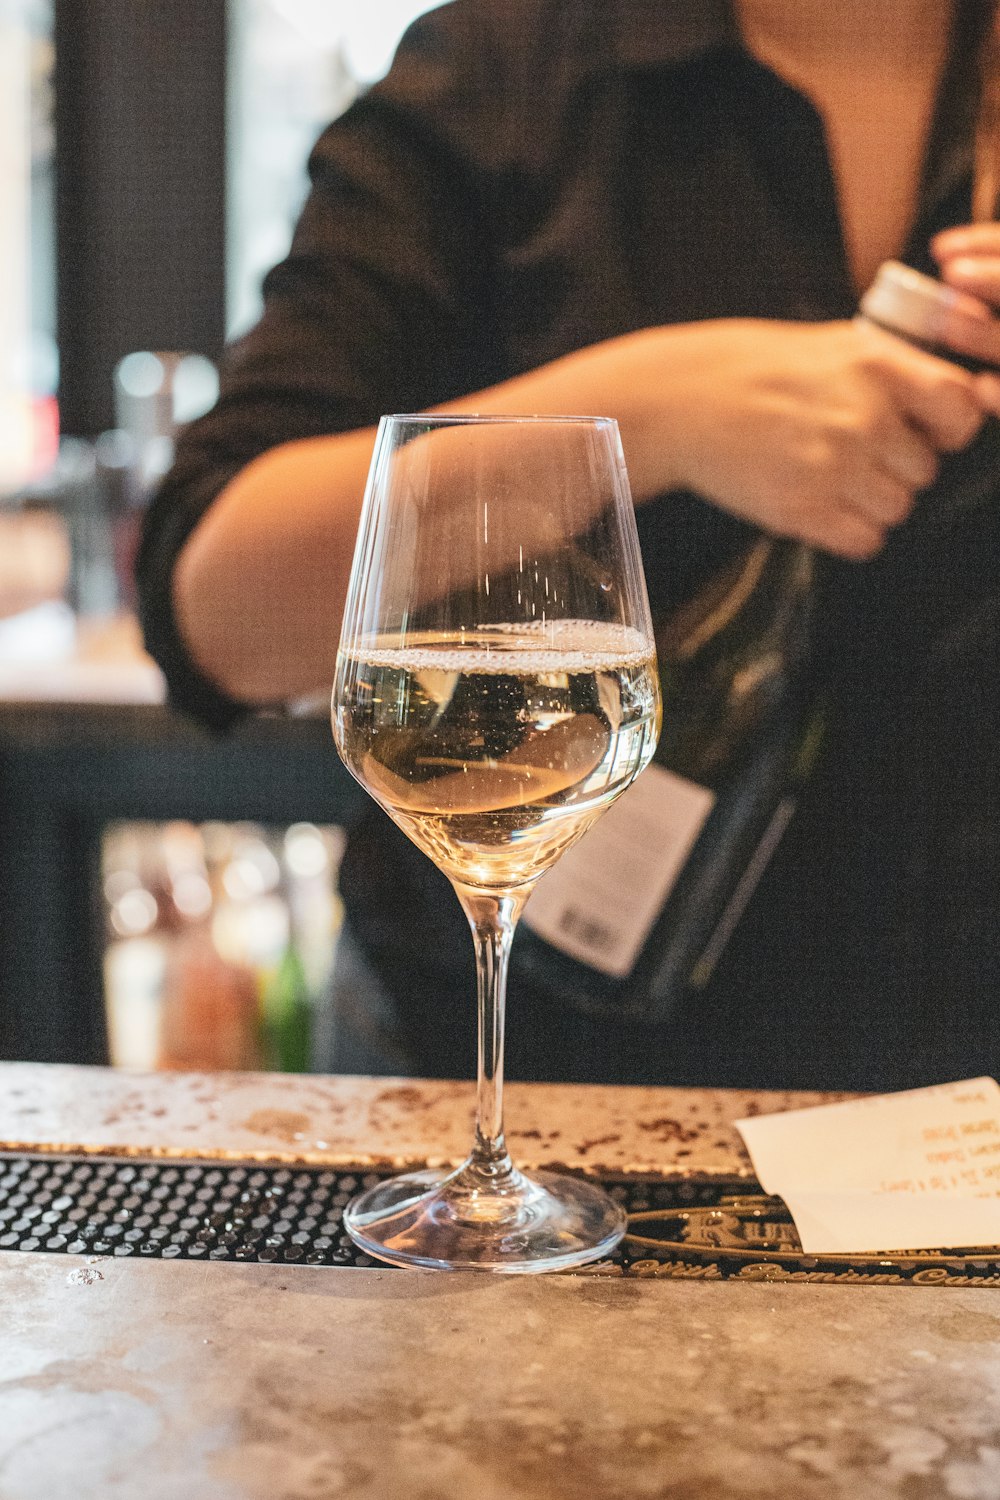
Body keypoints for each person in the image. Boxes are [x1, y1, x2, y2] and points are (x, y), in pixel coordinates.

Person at [138, 0, 1000, 1092]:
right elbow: (217, 610)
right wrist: (655, 416)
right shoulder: (505, 72)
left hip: (966, 1103)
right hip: (504, 1071)